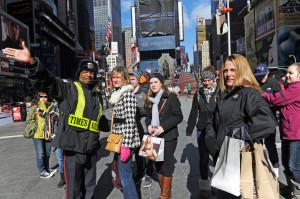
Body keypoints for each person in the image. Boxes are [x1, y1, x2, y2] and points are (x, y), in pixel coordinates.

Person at [2, 42, 103, 199]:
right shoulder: (68, 87)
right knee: (73, 190)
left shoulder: (97, 95)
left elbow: (99, 120)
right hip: (72, 148)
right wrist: (32, 64)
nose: (88, 74)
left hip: (90, 148)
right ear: (79, 72)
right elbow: (48, 81)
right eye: (84, 71)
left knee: (90, 188)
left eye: (92, 72)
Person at [205, 54, 277, 198]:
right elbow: (210, 123)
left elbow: (267, 122)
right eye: (225, 70)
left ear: (242, 70)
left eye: (233, 70)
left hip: (242, 160)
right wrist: (213, 146)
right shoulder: (220, 95)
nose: (228, 74)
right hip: (223, 159)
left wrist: (236, 134)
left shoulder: (249, 93)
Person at [263, 63, 300, 198]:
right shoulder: (290, 88)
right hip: (288, 132)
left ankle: (297, 194)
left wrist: (262, 93)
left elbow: (275, 99)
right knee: (286, 163)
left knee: (294, 166)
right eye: (287, 73)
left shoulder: (296, 89)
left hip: (296, 134)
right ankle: (291, 189)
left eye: (291, 73)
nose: (287, 75)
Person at [145, 73, 183, 199]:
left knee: (166, 167)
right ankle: (166, 192)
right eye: (151, 83)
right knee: (158, 166)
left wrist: (163, 127)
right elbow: (148, 117)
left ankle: (164, 196)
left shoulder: (171, 97)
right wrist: (148, 125)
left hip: (168, 137)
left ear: (162, 83)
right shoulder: (150, 98)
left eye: (155, 82)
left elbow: (178, 116)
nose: (153, 85)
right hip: (153, 137)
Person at [186, 66, 218, 198]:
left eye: (209, 80)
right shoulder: (198, 93)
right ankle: (205, 186)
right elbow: (194, 112)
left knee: (217, 158)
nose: (207, 83)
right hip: (202, 129)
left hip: (216, 129)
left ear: (214, 79)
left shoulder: (219, 91)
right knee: (203, 159)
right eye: (204, 80)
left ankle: (216, 184)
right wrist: (189, 127)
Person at [109, 66, 140, 199]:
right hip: (118, 139)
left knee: (126, 177)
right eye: (113, 77)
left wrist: (126, 145)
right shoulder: (118, 93)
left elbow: (130, 120)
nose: (115, 80)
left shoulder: (127, 94)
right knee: (124, 175)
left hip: (125, 141)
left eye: (118, 77)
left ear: (125, 78)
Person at [253, 63, 281, 176]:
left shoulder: (273, 83)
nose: (261, 78)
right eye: (259, 75)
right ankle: (258, 169)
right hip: (256, 120)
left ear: (268, 72)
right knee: (256, 146)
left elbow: (279, 99)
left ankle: (275, 168)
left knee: (270, 145)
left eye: (263, 75)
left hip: (270, 119)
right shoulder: (253, 83)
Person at [129, 71, 154, 188]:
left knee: (148, 153)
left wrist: (136, 109)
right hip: (134, 129)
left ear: (138, 80)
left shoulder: (144, 92)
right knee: (138, 153)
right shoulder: (127, 93)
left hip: (145, 126)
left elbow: (149, 110)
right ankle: (140, 172)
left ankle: (149, 173)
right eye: (129, 79)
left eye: (133, 79)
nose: (131, 81)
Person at [26, 91, 56, 178]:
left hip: (47, 134)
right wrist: (35, 128)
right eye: (41, 96)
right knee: (40, 154)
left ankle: (47, 168)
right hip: (37, 135)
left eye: (45, 96)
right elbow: (28, 120)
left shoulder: (50, 107)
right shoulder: (35, 107)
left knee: (47, 153)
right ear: (38, 97)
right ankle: (42, 172)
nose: (43, 98)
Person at [44, 99, 66, 188]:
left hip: (67, 135)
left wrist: (60, 117)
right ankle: (63, 178)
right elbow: (48, 120)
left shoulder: (67, 102)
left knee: (70, 159)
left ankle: (71, 178)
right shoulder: (52, 105)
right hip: (56, 136)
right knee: (60, 158)